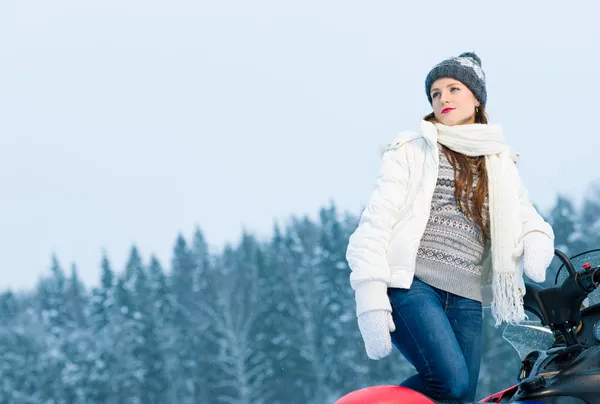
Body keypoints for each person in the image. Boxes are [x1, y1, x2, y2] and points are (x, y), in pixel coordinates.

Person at [345, 52, 555, 402]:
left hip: (467, 297)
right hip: (414, 286)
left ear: (476, 99)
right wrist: (370, 298)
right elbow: (375, 225)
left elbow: (523, 212)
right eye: (436, 93)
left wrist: (535, 236)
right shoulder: (412, 150)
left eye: (454, 88)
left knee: (456, 397)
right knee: (452, 384)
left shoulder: (498, 161)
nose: (444, 98)